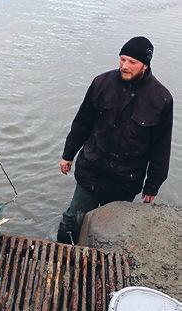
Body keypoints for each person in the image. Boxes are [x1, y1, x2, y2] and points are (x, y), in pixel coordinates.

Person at [57, 36, 173, 245]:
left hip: (124, 180)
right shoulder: (101, 83)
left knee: (110, 232)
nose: (124, 66)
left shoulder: (161, 99)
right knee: (72, 220)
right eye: (122, 59)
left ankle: (97, 265)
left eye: (132, 62)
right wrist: (68, 155)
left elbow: (161, 150)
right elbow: (82, 123)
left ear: (145, 65)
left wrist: (152, 186)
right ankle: (62, 254)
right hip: (91, 170)